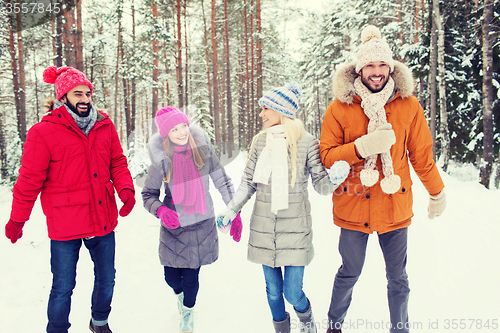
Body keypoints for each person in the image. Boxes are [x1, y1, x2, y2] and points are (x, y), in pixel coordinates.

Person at [319, 26, 447, 333]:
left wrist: (436, 192)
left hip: (394, 204)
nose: (377, 72)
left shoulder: (408, 105)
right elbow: (327, 157)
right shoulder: (340, 107)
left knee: (398, 278)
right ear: (359, 69)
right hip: (353, 205)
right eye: (370, 65)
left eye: (382, 65)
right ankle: (333, 327)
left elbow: (420, 154)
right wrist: (362, 146)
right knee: (349, 272)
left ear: (390, 67)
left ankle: (399, 329)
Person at [4, 66, 136, 333]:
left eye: (88, 93)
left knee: (107, 279)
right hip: (66, 224)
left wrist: (126, 190)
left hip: (102, 218)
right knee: (63, 286)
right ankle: (57, 329)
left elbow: (117, 162)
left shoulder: (104, 125)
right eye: (78, 93)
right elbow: (29, 181)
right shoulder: (43, 133)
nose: (85, 98)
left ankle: (99, 322)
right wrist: (17, 219)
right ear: (63, 96)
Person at [217, 83, 350, 333]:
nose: (261, 113)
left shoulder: (307, 142)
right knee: (273, 292)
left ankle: (306, 319)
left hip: (295, 230)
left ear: (281, 110)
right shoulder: (260, 142)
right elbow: (248, 183)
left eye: (266, 108)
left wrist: (334, 179)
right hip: (264, 228)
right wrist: (231, 209)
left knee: (291, 291)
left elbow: (321, 186)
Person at [141, 106, 241, 333]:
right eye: (175, 128)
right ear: (166, 134)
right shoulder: (161, 161)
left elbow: (223, 183)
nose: (182, 131)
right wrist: (160, 211)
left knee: (191, 278)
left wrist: (234, 211)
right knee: (172, 278)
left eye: (184, 125)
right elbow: (148, 195)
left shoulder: (203, 152)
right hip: (173, 227)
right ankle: (180, 297)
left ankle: (187, 311)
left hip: (201, 226)